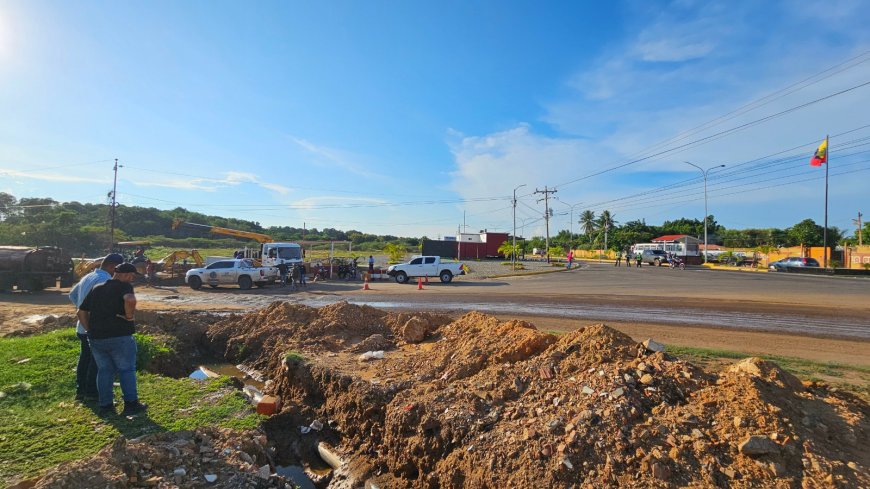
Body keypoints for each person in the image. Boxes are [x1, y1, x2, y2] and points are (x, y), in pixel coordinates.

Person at [76, 263, 147, 417]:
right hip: (119, 336)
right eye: (132, 276)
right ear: (126, 274)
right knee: (126, 369)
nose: (132, 278)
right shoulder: (124, 287)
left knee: (104, 371)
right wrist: (129, 316)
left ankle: (106, 406)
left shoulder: (97, 288)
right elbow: (130, 299)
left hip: (97, 338)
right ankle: (131, 404)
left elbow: (81, 312)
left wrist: (90, 330)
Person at [68, 253, 124, 402]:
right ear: (112, 266)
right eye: (119, 270)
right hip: (95, 329)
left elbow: (72, 295)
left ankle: (81, 391)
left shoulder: (88, 277)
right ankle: (92, 393)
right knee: (97, 363)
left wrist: (83, 310)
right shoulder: (104, 280)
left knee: (85, 359)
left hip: (82, 327)